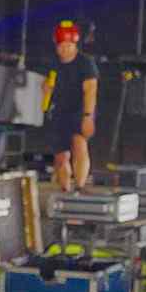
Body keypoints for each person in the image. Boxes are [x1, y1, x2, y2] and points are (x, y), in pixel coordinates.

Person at [42, 19, 98, 192]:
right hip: (59, 111)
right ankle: (65, 190)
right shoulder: (53, 63)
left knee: (79, 144)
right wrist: (45, 93)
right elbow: (47, 87)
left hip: (80, 110)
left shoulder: (85, 63)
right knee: (61, 156)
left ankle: (80, 187)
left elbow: (90, 90)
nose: (64, 50)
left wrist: (88, 116)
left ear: (74, 45)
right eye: (61, 46)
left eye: (68, 46)